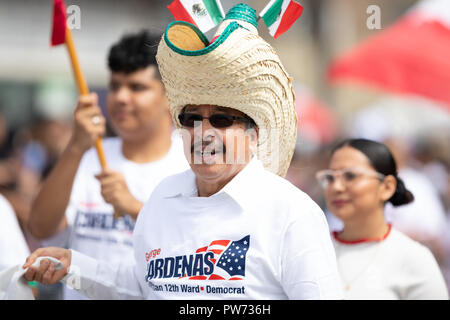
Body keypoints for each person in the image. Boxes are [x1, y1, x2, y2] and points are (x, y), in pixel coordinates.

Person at [22, 4, 343, 300]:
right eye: (191, 119)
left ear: (253, 134)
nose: (203, 133)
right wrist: (72, 266)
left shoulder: (290, 213)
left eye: (221, 119)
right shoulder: (164, 197)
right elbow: (141, 286)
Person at [26, 30, 189, 299]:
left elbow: (198, 245)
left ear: (169, 95)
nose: (122, 97)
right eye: (115, 86)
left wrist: (135, 208)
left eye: (137, 87)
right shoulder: (88, 158)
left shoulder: (189, 164)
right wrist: (75, 146)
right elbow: (40, 228)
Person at [316, 138, 448, 299]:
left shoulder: (414, 258)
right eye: (329, 177)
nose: (336, 186)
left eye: (350, 176)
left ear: (387, 187)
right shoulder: (315, 252)